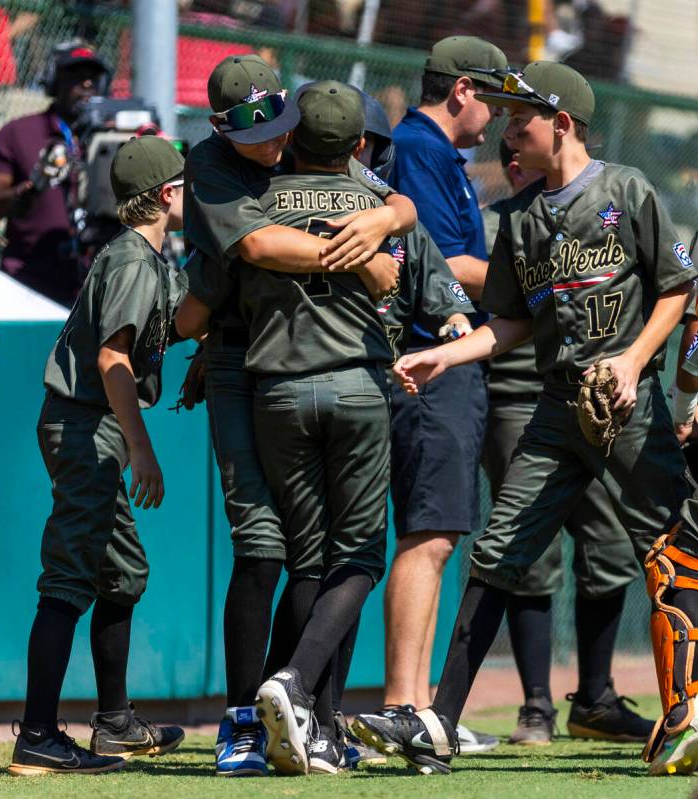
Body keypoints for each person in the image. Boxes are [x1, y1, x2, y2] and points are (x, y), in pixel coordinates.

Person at [354, 61, 698, 778]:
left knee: (669, 547)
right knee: (497, 550)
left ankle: (685, 711)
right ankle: (439, 722)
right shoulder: (515, 218)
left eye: (521, 119)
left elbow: (675, 288)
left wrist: (635, 361)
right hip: (556, 409)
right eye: (506, 118)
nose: (508, 133)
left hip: (628, 408)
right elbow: (509, 321)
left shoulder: (624, 188)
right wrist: (443, 357)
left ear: (561, 123)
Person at [174, 54, 416, 777]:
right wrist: (358, 257)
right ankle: (242, 721)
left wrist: (387, 216)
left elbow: (395, 205)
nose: (273, 144)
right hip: (236, 361)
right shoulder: (213, 161)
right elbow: (253, 246)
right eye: (257, 133)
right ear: (221, 125)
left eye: (280, 125)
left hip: (281, 364)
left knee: (310, 552)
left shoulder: (300, 156)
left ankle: (305, 711)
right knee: (263, 548)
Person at [8, 136, 187, 776]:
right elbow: (114, 359)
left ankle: (113, 723)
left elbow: (179, 318)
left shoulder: (142, 255)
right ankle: (36, 735)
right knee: (69, 577)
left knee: (123, 570)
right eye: (185, 183)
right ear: (168, 193)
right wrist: (142, 448)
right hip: (89, 424)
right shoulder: (135, 260)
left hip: (88, 423)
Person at [482, 141, 649, 745]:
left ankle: (597, 699)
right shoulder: (505, 218)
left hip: (598, 396)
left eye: (522, 145)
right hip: (518, 394)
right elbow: (464, 274)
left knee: (609, 548)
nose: (515, 160)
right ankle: (533, 707)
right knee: (526, 555)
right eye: (507, 152)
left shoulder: (609, 200)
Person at [370, 35, 507, 754]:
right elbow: (443, 260)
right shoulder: (419, 149)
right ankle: (402, 703)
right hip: (428, 359)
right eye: (494, 93)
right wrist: (539, 280)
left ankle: (417, 707)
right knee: (428, 534)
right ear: (461, 90)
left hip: (444, 359)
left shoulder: (435, 152)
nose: (500, 111)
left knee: (437, 534)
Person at [0, 41, 111, 307]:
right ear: (53, 81)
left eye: (92, 79)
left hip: (96, 285)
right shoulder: (19, 132)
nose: (86, 85)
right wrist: (30, 189)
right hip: (30, 284)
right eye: (76, 76)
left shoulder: (114, 136)